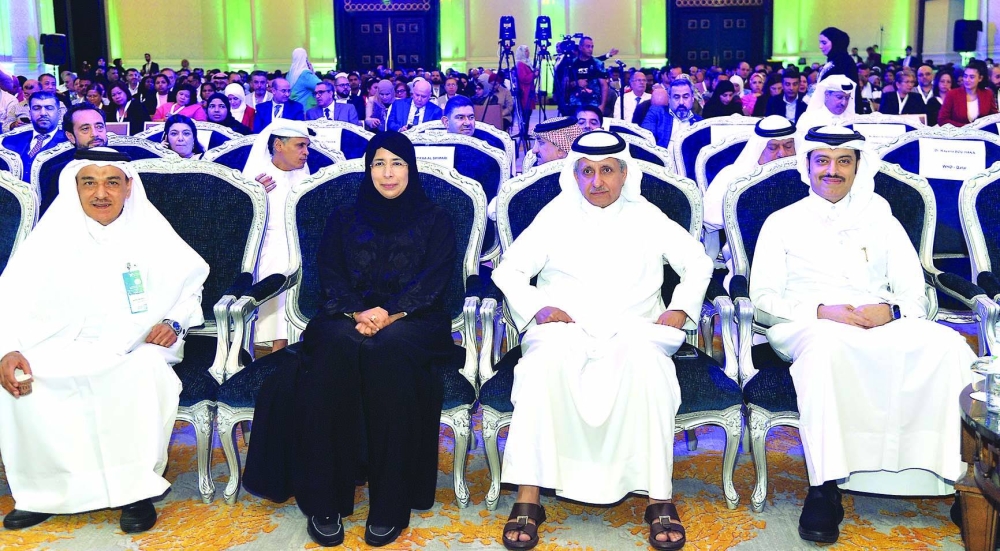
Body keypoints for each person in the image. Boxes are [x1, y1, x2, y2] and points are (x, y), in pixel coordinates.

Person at [748, 125, 976, 544]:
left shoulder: (880, 217)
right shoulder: (781, 222)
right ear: (808, 166)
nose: (832, 171)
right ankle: (825, 487)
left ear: (856, 167)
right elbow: (762, 298)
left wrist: (890, 311)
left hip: (880, 318)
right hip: (811, 323)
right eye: (822, 161)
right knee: (827, 352)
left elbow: (914, 289)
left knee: (950, 347)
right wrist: (821, 311)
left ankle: (953, 481)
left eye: (843, 162)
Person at [492, 131, 712, 551]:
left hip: (635, 327)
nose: (597, 182)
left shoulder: (647, 216)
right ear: (574, 175)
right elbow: (509, 271)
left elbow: (699, 263)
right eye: (587, 172)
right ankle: (528, 496)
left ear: (624, 174)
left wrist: (681, 307)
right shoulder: (556, 215)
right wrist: (538, 307)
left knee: (649, 370)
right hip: (566, 328)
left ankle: (659, 497)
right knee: (540, 369)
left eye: (607, 171)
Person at [242, 132, 456, 548]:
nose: (388, 173)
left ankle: (390, 505)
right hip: (346, 314)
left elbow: (434, 279)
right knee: (336, 348)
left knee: (388, 350)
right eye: (378, 163)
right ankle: (325, 501)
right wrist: (358, 311)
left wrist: (388, 313)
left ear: (410, 168)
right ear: (367, 168)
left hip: (413, 320)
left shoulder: (436, 217)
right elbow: (330, 272)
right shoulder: (343, 216)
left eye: (397, 163)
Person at [0, 149, 209, 534]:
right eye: (89, 182)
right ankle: (45, 493)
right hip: (58, 343)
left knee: (143, 371)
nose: (101, 193)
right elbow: (9, 298)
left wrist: (173, 322)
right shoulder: (50, 238)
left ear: (128, 187)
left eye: (112, 182)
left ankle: (134, 492)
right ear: (74, 187)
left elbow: (191, 287)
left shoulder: (150, 231)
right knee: (25, 376)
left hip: (133, 347)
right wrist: (7, 348)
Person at [242, 120, 312, 352]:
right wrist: (252, 194)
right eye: (300, 146)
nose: (306, 153)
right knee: (279, 259)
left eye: (307, 146)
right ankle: (264, 348)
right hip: (265, 248)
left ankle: (286, 346)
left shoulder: (306, 175)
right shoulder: (257, 177)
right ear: (279, 146)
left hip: (302, 246)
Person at [703, 116, 796, 262]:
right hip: (751, 255)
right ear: (759, 147)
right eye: (773, 147)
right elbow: (709, 218)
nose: (782, 154)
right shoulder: (734, 177)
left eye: (789, 146)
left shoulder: (807, 178)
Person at [0, 91, 68, 181]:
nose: (43, 113)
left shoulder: (68, 142)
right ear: (30, 113)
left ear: (59, 113)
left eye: (49, 108)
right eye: (37, 108)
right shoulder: (11, 141)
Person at [641, 79, 702, 149]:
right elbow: (645, 141)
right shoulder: (657, 113)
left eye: (685, 97)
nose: (681, 102)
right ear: (669, 99)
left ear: (692, 98)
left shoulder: (699, 123)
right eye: (676, 97)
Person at [937, 61, 998, 127]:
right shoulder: (952, 94)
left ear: (980, 78)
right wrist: (966, 127)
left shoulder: (988, 94)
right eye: (965, 76)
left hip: (982, 134)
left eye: (972, 77)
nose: (967, 80)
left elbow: (994, 117)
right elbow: (942, 119)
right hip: (959, 134)